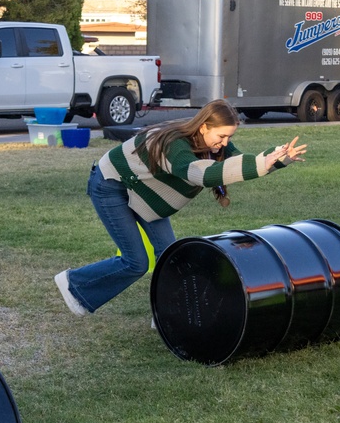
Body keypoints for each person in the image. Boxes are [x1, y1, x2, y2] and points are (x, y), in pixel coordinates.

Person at [53, 100, 307, 317]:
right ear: (204, 126)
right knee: (136, 262)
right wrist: (263, 163)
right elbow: (198, 174)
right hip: (112, 186)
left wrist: (277, 159)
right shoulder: (175, 143)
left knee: (171, 257)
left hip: (143, 192)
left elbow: (239, 162)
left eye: (229, 136)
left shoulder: (213, 140)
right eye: (221, 136)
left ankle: (167, 314)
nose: (225, 142)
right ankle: (74, 284)